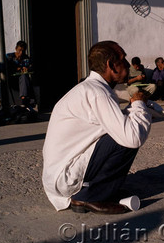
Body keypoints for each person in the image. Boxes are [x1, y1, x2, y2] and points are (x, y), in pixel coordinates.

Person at [42, 41, 152, 214]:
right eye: (123, 60)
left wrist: (135, 107)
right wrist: (138, 105)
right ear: (110, 65)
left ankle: (102, 189)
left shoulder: (92, 87)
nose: (127, 65)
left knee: (123, 129)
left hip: (58, 177)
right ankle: (90, 195)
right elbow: (132, 137)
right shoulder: (97, 92)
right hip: (66, 179)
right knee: (127, 137)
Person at [6, 41, 34, 107]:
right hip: (12, 79)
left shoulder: (26, 58)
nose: (21, 53)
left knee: (24, 76)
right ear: (16, 49)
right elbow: (6, 68)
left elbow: (31, 67)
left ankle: (24, 98)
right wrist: (17, 69)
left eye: (23, 51)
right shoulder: (9, 57)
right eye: (19, 50)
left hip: (22, 80)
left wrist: (27, 69)